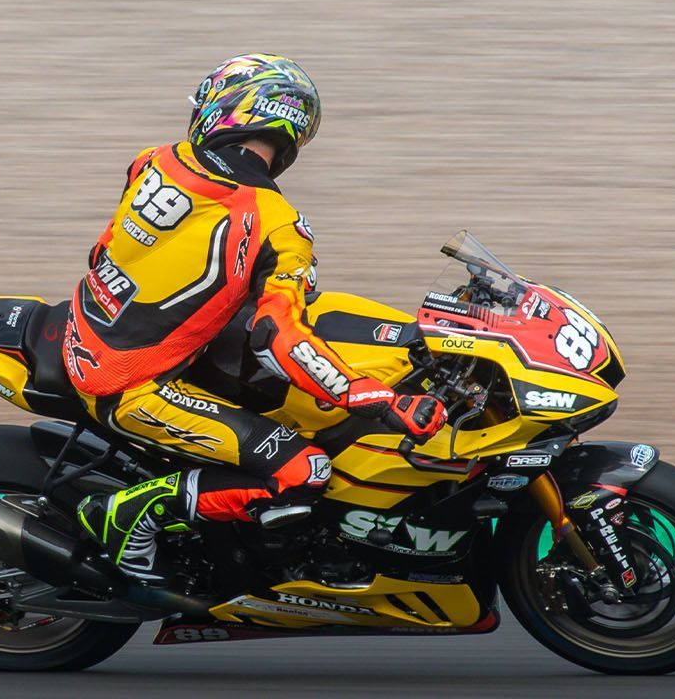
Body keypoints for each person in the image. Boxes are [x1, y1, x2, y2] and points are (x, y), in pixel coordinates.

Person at [65, 53, 448, 583]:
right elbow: (278, 336)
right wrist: (377, 397)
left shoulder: (154, 160)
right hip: (130, 384)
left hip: (90, 327)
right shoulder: (280, 226)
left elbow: (105, 251)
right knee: (304, 470)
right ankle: (129, 515)